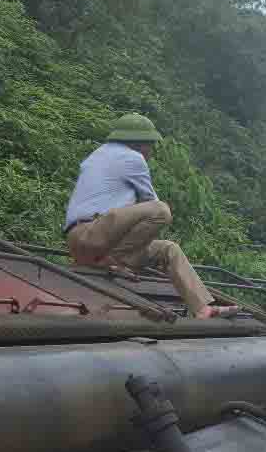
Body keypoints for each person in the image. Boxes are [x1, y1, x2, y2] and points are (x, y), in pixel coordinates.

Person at [64, 113, 236, 319]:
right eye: (151, 145)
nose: (151, 152)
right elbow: (150, 202)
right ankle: (113, 262)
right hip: (94, 235)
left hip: (82, 240)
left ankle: (202, 308)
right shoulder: (132, 158)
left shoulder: (97, 155)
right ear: (139, 143)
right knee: (160, 210)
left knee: (168, 250)